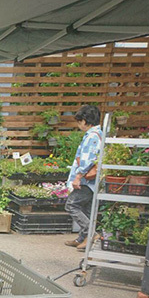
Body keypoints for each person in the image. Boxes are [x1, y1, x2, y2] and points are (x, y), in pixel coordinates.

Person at [64, 105, 102, 251]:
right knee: (85, 209)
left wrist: (78, 177)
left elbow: (88, 159)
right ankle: (82, 238)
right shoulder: (98, 134)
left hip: (87, 180)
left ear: (86, 121)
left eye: (80, 122)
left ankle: (91, 234)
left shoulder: (92, 136)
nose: (79, 125)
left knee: (71, 205)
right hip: (90, 181)